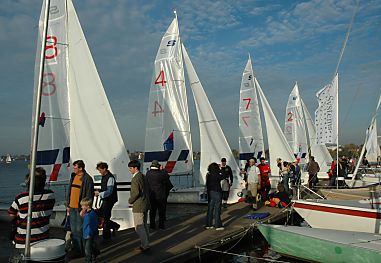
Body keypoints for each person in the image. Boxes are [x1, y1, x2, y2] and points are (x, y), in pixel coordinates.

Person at [8, 167, 55, 263]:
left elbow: (11, 214)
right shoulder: (51, 195)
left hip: (23, 241)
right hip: (43, 239)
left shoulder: (21, 197)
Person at [66, 160, 94, 255]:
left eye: (75, 167)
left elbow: (89, 195)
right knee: (74, 230)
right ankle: (77, 249)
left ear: (81, 168)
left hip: (80, 208)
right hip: (72, 208)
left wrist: (84, 209)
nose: (73, 169)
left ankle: (82, 251)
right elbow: (70, 191)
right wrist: (68, 205)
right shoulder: (73, 176)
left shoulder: (87, 179)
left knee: (80, 230)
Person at [128, 160, 150, 251]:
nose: (129, 170)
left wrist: (130, 201)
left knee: (139, 227)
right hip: (145, 203)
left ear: (135, 168)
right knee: (144, 225)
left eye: (130, 168)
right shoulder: (143, 176)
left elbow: (136, 192)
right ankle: (145, 243)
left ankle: (145, 245)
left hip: (138, 205)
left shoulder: (135, 178)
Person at [94, 162, 120, 240]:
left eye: (100, 170)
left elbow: (109, 191)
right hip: (106, 199)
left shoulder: (110, 178)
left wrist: (99, 193)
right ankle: (113, 227)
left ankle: (107, 237)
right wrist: (100, 191)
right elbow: (106, 189)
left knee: (105, 217)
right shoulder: (106, 176)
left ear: (104, 169)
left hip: (109, 200)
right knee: (103, 216)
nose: (100, 172)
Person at [146, 160, 167, 230]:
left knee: (152, 211)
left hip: (151, 195)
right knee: (161, 211)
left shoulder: (148, 173)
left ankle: (152, 225)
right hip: (161, 195)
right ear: (157, 166)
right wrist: (163, 169)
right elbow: (166, 178)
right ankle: (161, 225)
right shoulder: (161, 173)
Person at [205, 162, 227, 230]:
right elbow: (224, 175)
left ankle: (209, 225)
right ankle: (218, 225)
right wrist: (221, 169)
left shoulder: (208, 175)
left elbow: (207, 185)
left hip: (210, 192)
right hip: (217, 192)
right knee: (217, 209)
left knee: (210, 209)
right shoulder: (217, 174)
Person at [80, 197, 99, 263]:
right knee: (90, 247)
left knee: (87, 250)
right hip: (87, 233)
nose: (81, 207)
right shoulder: (89, 214)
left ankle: (88, 261)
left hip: (88, 234)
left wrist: (89, 233)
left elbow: (91, 225)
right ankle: (95, 254)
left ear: (87, 206)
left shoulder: (89, 215)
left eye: (82, 206)